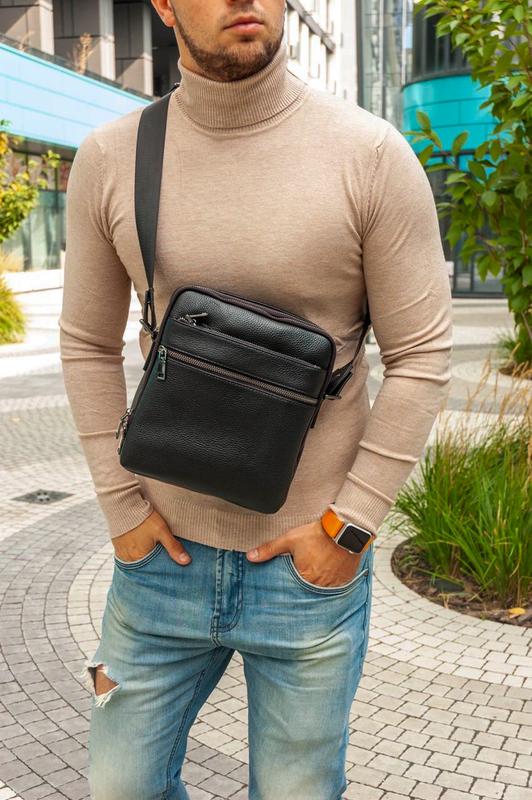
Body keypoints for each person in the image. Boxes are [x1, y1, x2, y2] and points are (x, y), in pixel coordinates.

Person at [59, 1, 453, 797]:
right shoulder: (112, 156)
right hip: (155, 566)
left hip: (307, 576)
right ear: (163, 5)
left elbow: (422, 356)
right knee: (117, 786)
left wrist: (347, 529)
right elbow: (86, 343)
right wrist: (122, 512)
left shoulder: (371, 155)